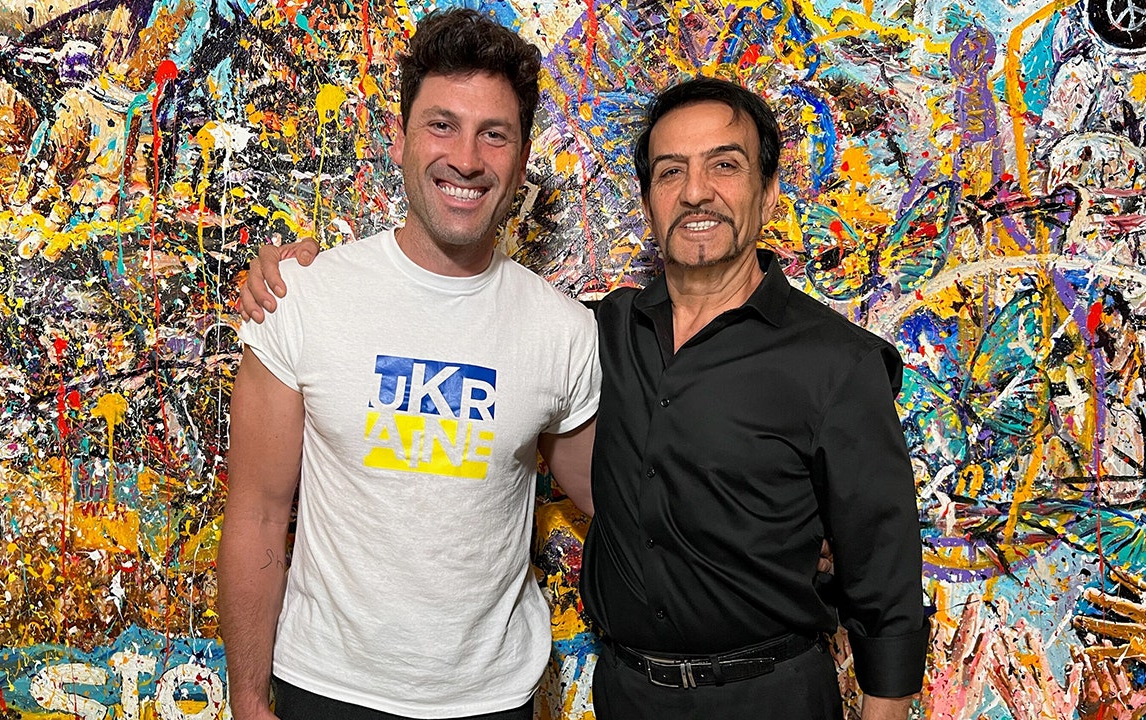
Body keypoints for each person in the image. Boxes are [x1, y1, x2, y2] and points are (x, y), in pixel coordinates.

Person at [239, 78, 927, 719]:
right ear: (649, 201)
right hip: (625, 692)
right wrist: (301, 273)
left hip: (769, 693)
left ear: (769, 193)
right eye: (671, 172)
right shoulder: (597, 332)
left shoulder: (836, 362)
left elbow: (885, 578)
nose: (696, 192)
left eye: (724, 165)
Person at [217, 8, 600, 720]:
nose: (467, 158)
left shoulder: (564, 331)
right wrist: (246, 699)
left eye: (494, 134)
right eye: (442, 125)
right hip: (326, 689)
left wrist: (782, 528)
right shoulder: (302, 298)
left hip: (491, 698)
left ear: (520, 161)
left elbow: (615, 498)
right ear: (399, 139)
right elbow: (258, 514)